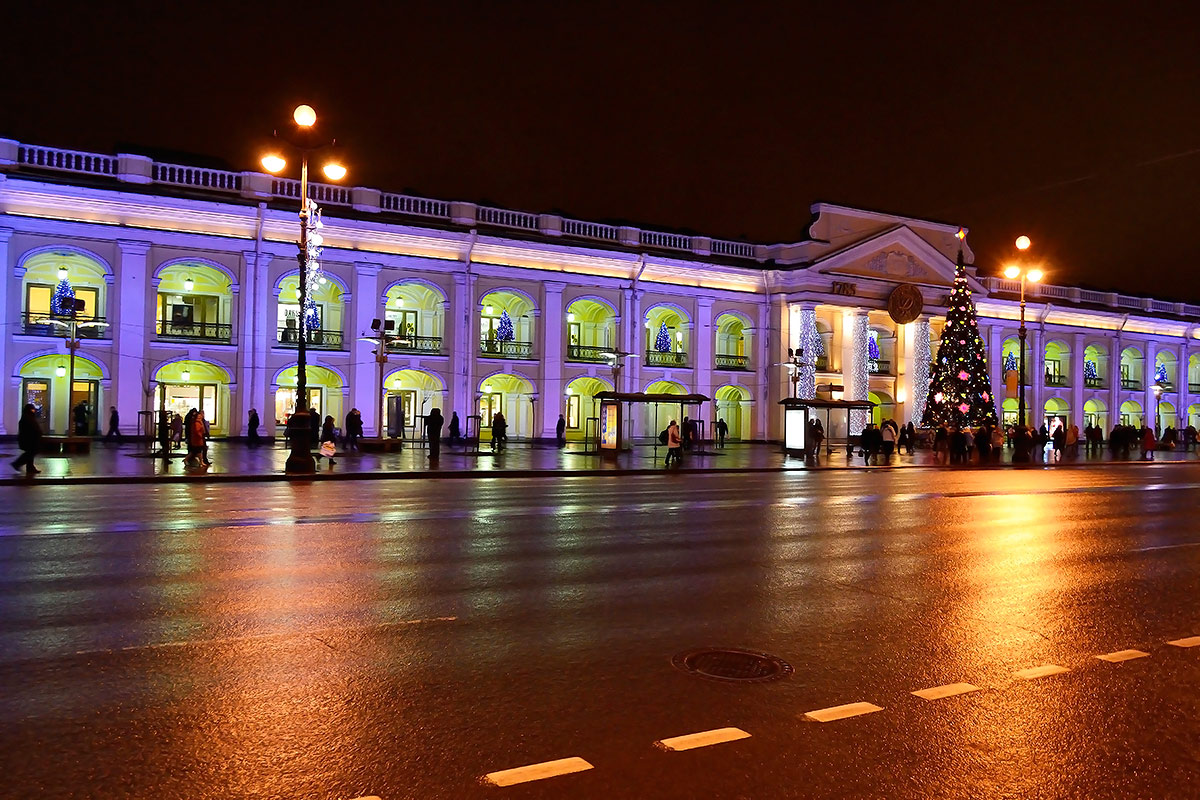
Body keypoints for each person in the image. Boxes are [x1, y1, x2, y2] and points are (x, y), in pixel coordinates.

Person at [12, 404, 42, 476]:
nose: (33, 411)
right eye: (32, 409)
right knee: (30, 453)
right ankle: (17, 464)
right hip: (29, 440)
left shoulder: (28, 417)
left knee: (30, 453)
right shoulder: (27, 418)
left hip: (30, 440)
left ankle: (30, 468)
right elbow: (31, 429)